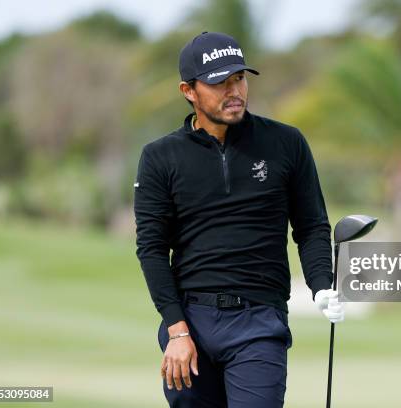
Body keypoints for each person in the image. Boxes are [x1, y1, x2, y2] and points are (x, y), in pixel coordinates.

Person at [133, 31, 344, 408]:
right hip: (191, 320)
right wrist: (177, 330)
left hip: (260, 320)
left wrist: (321, 284)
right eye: (219, 83)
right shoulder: (160, 157)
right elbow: (151, 249)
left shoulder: (286, 143)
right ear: (189, 90)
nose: (235, 91)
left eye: (240, 79)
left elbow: (311, 226)